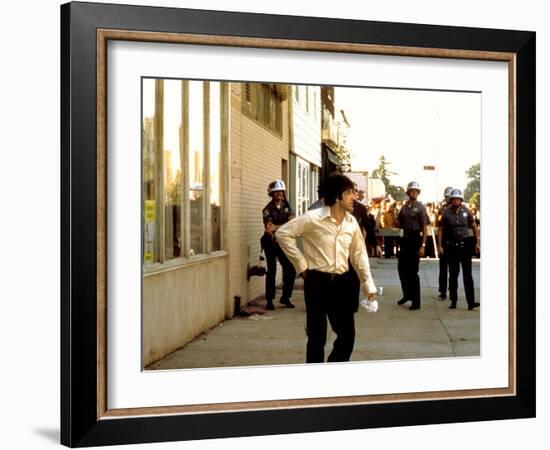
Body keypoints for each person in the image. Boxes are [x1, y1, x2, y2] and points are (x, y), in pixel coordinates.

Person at [276, 174, 377, 363]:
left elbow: (359, 255)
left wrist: (368, 285)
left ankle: (332, 375)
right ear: (338, 196)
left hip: (343, 283)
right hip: (317, 283)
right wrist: (301, 264)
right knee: (316, 339)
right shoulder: (312, 219)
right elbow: (283, 234)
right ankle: (316, 384)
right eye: (349, 193)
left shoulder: (351, 222)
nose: (354, 197)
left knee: (347, 338)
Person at [437, 188, 480, 310]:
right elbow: (441, 229)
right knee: (453, 275)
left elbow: (473, 226)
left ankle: (471, 302)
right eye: (454, 199)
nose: (456, 201)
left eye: (458, 199)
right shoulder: (445, 212)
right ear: (450, 200)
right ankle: (453, 300)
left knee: (468, 275)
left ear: (461, 200)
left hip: (465, 246)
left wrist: (477, 242)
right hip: (452, 247)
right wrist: (440, 246)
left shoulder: (466, 211)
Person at [260, 180, 296, 310]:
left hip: (283, 243)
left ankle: (285, 298)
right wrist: (283, 226)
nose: (280, 194)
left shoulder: (287, 206)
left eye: (281, 192)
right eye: (276, 192)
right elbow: (269, 228)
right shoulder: (267, 210)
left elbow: (293, 223)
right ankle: (270, 300)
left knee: (290, 270)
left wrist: (278, 227)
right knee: (272, 270)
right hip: (270, 242)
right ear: (271, 194)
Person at [395, 181, 429, 310]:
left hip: (415, 240)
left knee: (413, 272)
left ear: (418, 193)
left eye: (415, 191)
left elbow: (425, 227)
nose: (413, 193)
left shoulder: (421, 207)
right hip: (405, 240)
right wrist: (393, 214)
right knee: (402, 269)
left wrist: (423, 245)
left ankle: (416, 301)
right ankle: (407, 294)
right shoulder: (404, 207)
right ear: (408, 192)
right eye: (411, 191)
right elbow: (399, 223)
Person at [436, 186, 454, 300]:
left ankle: (452, 289)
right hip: (444, 241)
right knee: (443, 269)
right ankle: (442, 290)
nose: (448, 200)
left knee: (453, 269)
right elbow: (439, 226)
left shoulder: (459, 209)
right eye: (447, 198)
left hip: (454, 241)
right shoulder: (443, 209)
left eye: (450, 198)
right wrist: (439, 245)